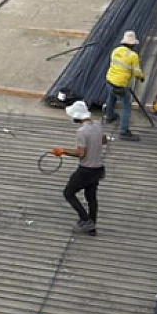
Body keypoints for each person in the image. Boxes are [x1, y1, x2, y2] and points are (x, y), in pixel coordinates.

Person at [52, 100, 111, 235]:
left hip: (86, 170)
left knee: (68, 193)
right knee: (91, 197)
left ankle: (85, 220)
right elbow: (104, 140)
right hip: (98, 168)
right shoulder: (97, 124)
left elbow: (81, 153)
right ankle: (92, 227)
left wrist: (62, 151)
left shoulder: (82, 132)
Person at [104, 31, 145, 140]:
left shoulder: (115, 50)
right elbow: (136, 72)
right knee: (126, 106)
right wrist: (141, 77)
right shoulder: (133, 56)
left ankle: (109, 116)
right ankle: (123, 131)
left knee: (111, 97)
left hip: (109, 80)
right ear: (132, 44)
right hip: (120, 85)